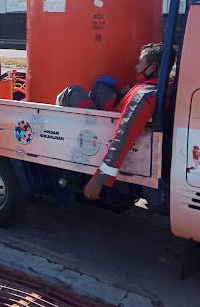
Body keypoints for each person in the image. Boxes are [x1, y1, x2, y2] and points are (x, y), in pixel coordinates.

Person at [58, 43, 172, 200]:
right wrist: (118, 86)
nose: (136, 66)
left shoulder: (143, 97)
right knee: (101, 85)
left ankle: (63, 137)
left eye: (140, 62)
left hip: (103, 125)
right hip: (114, 110)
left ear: (152, 67)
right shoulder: (162, 88)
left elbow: (123, 136)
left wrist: (100, 178)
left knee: (72, 91)